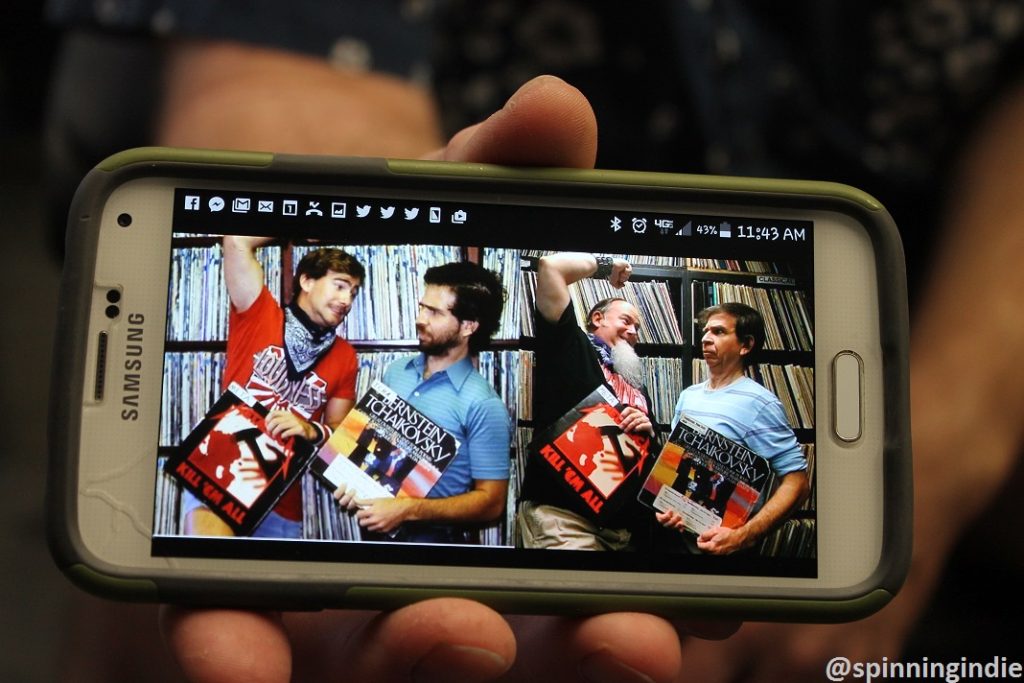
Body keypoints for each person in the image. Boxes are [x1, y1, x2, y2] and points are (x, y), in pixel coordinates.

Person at [44, 1, 1024, 679]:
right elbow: (278, 89)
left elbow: (489, 488)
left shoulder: (514, 386)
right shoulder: (390, 350)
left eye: (377, 294)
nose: (367, 310)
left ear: (465, 323)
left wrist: (951, 432)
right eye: (346, 288)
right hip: (234, 516)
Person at [184, 237, 363, 538]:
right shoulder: (260, 312)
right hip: (222, 468)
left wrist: (310, 430)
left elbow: (340, 432)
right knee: (208, 573)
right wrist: (303, 215)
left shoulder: (345, 356)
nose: (347, 300)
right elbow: (237, 241)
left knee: (271, 586)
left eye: (354, 292)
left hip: (281, 497)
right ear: (306, 280)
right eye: (340, 285)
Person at [333, 261, 512, 543]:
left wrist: (408, 510)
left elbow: (491, 503)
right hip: (371, 535)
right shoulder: (395, 371)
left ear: (468, 326)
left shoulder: (484, 404)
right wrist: (349, 479)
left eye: (434, 312)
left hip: (433, 545)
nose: (420, 318)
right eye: (421, 307)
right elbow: (364, 446)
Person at [518, 252, 657, 551]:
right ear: (597, 319)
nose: (633, 332)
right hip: (565, 520)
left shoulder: (635, 383)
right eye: (626, 320)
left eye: (638, 328)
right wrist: (609, 265)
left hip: (625, 531)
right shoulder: (570, 345)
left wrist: (649, 429)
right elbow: (551, 267)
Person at [658, 303, 809, 555]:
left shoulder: (761, 403)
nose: (705, 338)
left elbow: (798, 484)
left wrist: (742, 537)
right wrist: (668, 506)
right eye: (706, 331)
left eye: (718, 332)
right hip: (677, 543)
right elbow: (675, 464)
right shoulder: (688, 396)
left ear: (746, 345)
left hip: (726, 552)